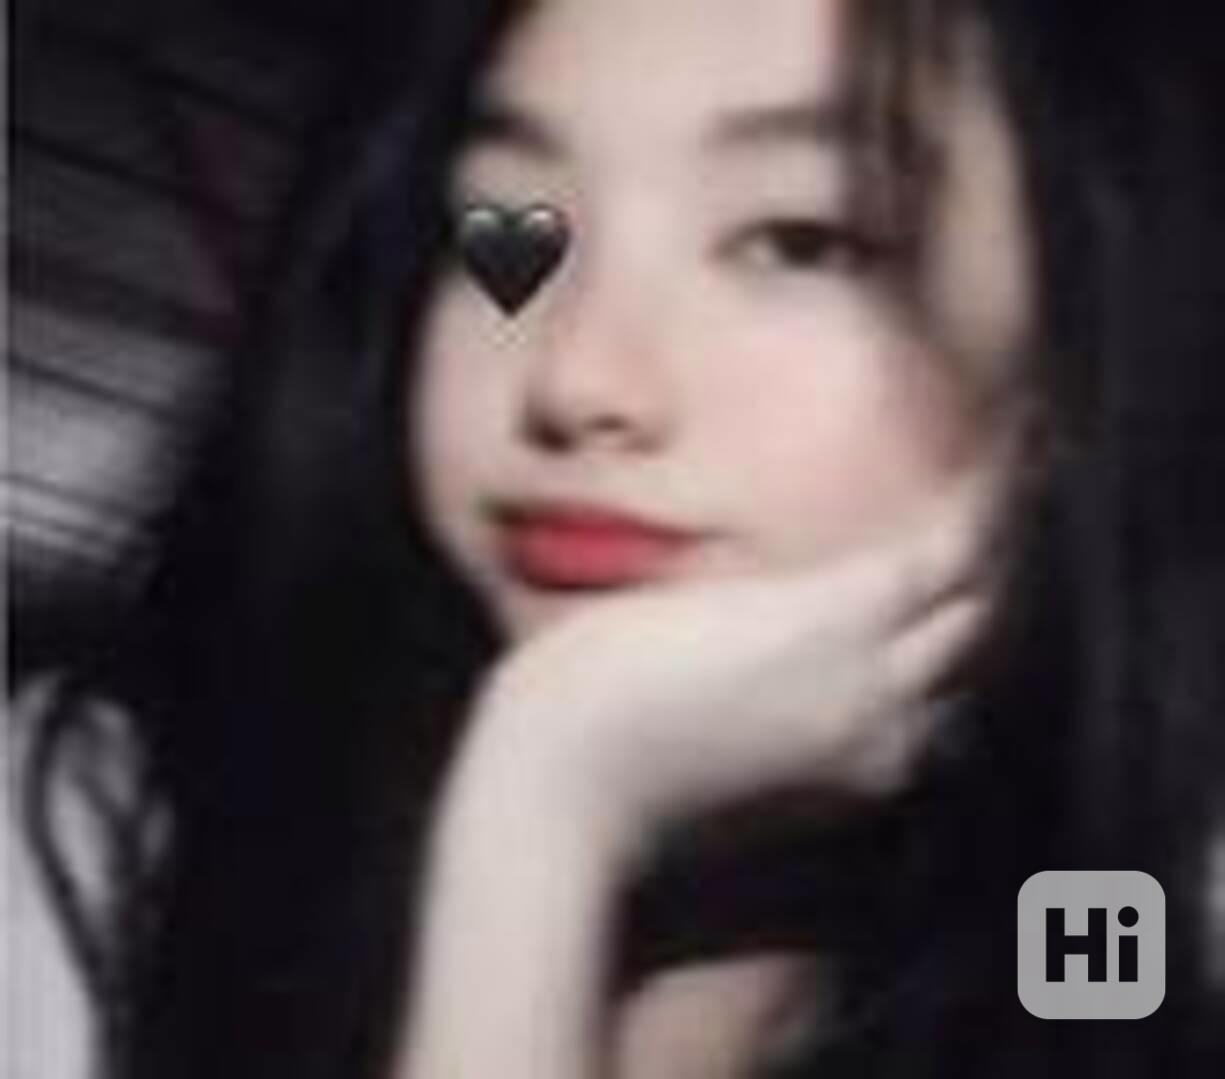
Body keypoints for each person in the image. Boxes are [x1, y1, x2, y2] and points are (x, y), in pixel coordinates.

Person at [16, 0, 1225, 1077]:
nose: (577, 376)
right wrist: (543, 817)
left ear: (1070, 378)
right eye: (500, 228)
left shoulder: (1097, 927)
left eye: (799, 242)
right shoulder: (92, 834)